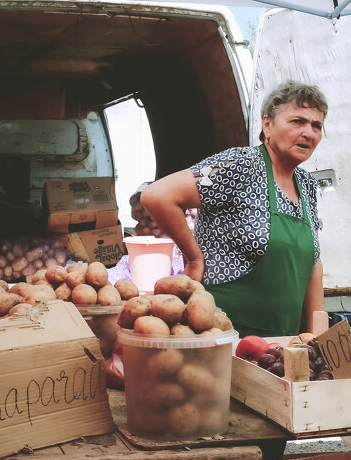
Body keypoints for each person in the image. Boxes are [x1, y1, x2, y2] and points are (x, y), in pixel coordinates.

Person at [139, 79, 327, 337]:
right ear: (267, 124)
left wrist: (317, 335)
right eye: (297, 121)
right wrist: (194, 257)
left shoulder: (306, 184)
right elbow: (157, 195)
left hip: (284, 339)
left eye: (316, 125)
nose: (309, 132)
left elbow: (312, 263)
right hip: (223, 333)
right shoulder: (241, 165)